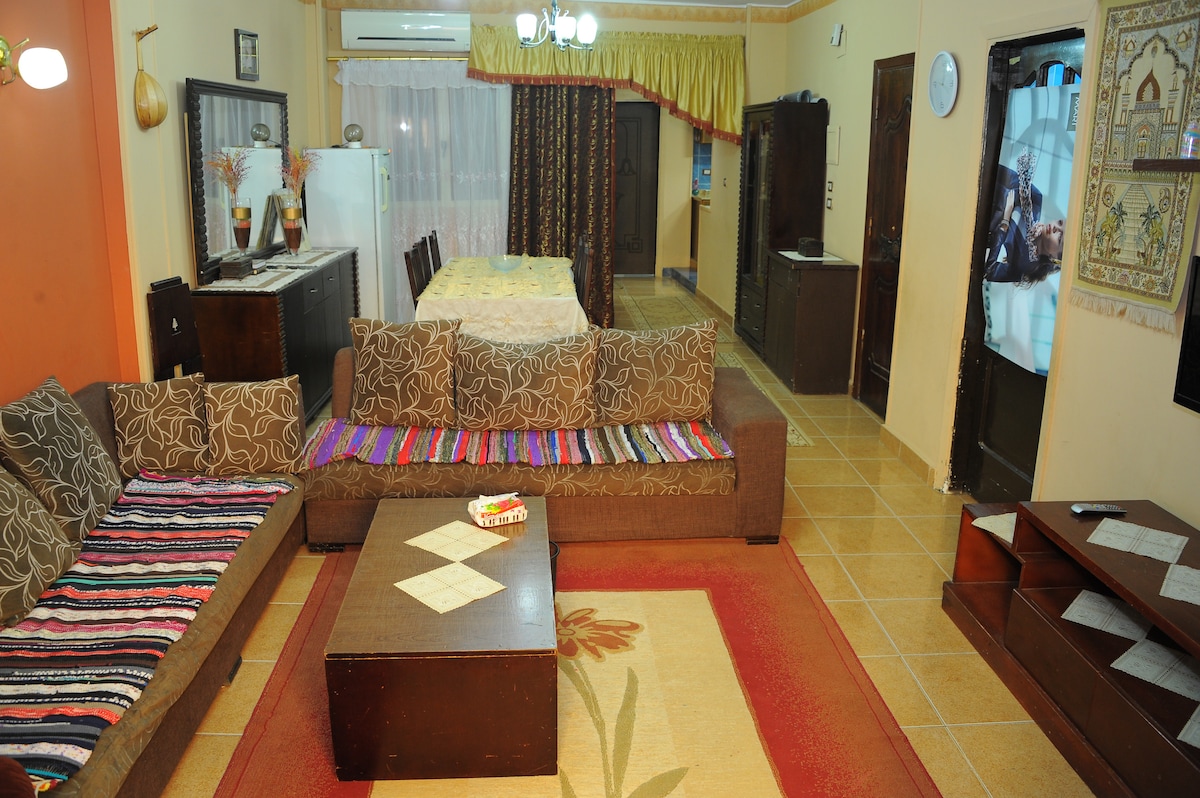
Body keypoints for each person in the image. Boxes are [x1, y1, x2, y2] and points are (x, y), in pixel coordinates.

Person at [983, 150, 1065, 285]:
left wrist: (1005, 223)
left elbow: (989, 271)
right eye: (1060, 223)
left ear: (1055, 257)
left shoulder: (1026, 265)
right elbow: (994, 170)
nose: (1056, 228)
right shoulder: (1035, 199)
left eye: (1060, 237)